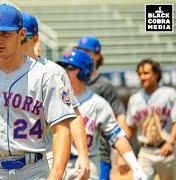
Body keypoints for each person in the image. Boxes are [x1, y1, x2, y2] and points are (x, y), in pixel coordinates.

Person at [0, 4, 75, 180]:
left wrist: (56, 174)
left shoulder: (45, 76)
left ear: (21, 34)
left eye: (5, 33)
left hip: (32, 170)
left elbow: (61, 129)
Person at [56, 48, 147, 180]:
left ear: (84, 73)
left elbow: (117, 136)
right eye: (62, 66)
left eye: (69, 67)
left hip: (87, 165)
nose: (64, 71)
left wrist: (135, 166)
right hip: (56, 162)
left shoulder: (98, 104)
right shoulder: (52, 98)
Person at [20, 12, 89, 179]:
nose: (16, 42)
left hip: (47, 154)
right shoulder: (1, 71)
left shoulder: (53, 71)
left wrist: (83, 154)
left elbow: (73, 116)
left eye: (22, 38)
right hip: (9, 159)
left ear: (35, 39)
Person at [74, 35, 130, 179]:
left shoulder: (104, 85)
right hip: (72, 155)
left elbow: (121, 117)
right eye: (80, 50)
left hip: (99, 155)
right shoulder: (71, 80)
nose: (83, 53)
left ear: (97, 56)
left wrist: (124, 154)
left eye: (87, 51)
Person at [125, 59, 176, 180]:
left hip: (167, 151)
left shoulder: (170, 94)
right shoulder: (134, 99)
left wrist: (170, 142)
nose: (142, 77)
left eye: (146, 73)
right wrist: (125, 155)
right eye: (140, 74)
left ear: (156, 74)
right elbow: (130, 128)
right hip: (145, 152)